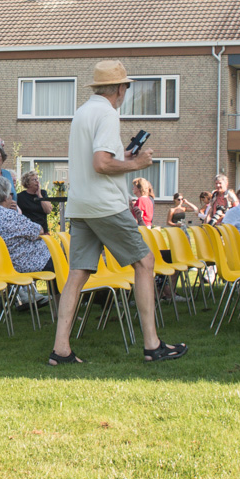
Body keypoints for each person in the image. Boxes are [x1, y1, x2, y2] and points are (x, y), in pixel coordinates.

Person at [50, 60, 186, 365]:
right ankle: (152, 345)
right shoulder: (109, 114)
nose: (126, 91)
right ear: (120, 89)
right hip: (105, 204)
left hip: (80, 204)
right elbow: (101, 164)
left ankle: (61, 349)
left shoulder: (82, 112)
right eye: (126, 86)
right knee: (145, 262)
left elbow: (98, 158)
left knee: (77, 273)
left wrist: (121, 157)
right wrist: (136, 164)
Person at [0, 176, 51, 306]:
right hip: (24, 262)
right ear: (5, 197)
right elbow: (39, 230)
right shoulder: (10, 216)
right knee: (60, 264)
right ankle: (61, 306)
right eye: (10, 194)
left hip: (2, 264)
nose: (11, 197)